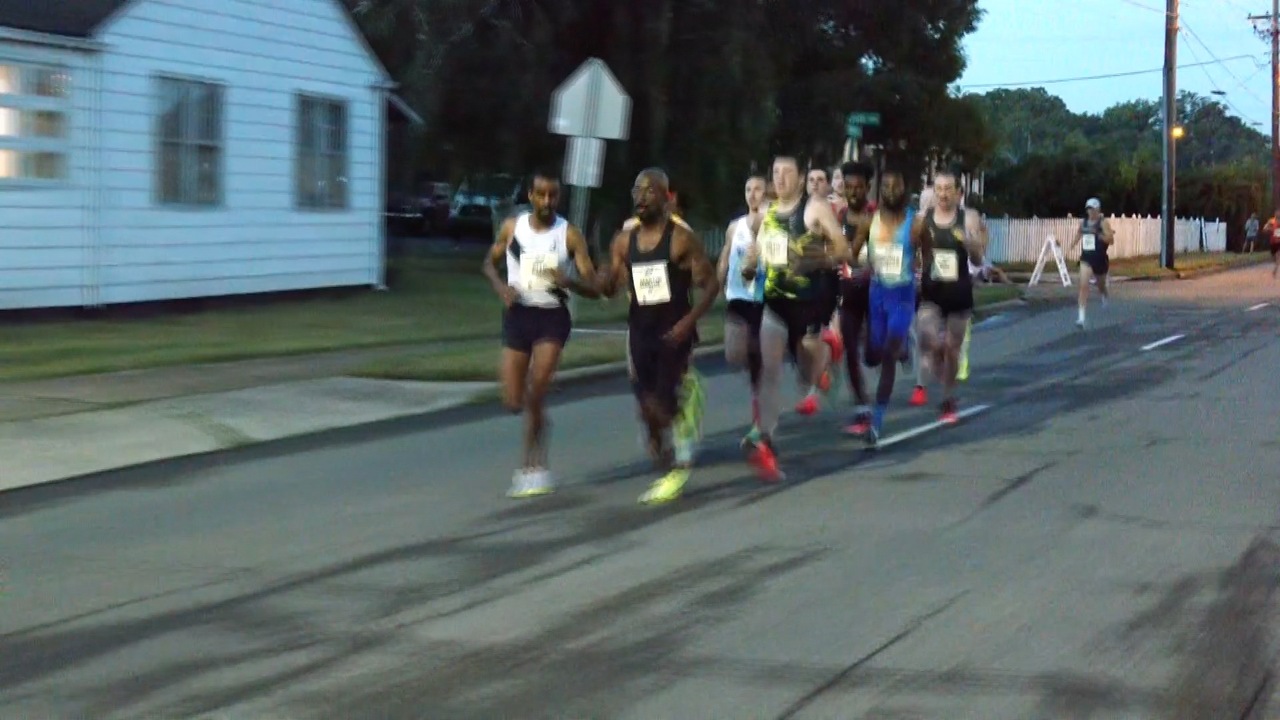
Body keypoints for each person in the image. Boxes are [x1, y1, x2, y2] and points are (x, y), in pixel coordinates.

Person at [599, 168, 719, 504]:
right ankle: (672, 437)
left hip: (674, 331)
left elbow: (710, 285)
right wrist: (603, 281)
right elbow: (613, 284)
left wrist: (689, 321)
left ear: (665, 197)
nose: (641, 197)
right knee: (647, 409)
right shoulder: (623, 242)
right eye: (637, 190)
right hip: (640, 330)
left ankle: (677, 464)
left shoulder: (680, 239)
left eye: (649, 191)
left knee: (661, 402)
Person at [482, 169, 601, 498]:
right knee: (513, 401)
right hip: (518, 315)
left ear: (558, 198)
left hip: (552, 318)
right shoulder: (512, 228)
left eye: (553, 195)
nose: (547, 201)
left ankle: (532, 468)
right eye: (541, 195)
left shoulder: (568, 235)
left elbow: (595, 287)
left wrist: (571, 282)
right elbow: (488, 264)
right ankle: (539, 422)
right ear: (531, 197)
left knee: (537, 391)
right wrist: (500, 287)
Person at [743, 154, 848, 477]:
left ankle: (828, 356)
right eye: (776, 172)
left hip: (809, 306)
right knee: (769, 372)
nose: (780, 179)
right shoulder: (765, 213)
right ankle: (766, 443)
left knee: (808, 371)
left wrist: (817, 260)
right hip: (776, 305)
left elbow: (844, 250)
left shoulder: (814, 209)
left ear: (801, 178)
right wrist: (748, 266)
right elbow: (757, 251)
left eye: (788, 173)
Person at [849, 166, 917, 446]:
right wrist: (863, 266)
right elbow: (852, 256)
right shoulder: (868, 222)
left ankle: (876, 421)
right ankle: (902, 348)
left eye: (896, 186)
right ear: (880, 191)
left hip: (902, 295)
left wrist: (922, 273)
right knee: (872, 356)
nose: (891, 191)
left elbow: (926, 256)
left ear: (905, 190)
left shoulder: (916, 223)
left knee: (887, 353)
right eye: (886, 186)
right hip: (877, 294)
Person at [914, 169, 985, 421]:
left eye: (948, 189)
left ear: (957, 192)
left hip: (958, 293)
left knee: (952, 349)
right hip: (931, 292)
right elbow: (911, 250)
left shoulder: (969, 218)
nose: (943, 194)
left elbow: (977, 258)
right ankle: (941, 371)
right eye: (939, 189)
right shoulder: (923, 218)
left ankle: (947, 399)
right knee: (928, 339)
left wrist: (969, 242)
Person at [718, 174, 767, 448]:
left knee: (757, 360)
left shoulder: (774, 228)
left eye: (758, 189)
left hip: (763, 300)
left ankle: (759, 424)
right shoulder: (734, 227)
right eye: (748, 189)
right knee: (734, 354)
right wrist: (719, 278)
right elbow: (725, 259)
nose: (752, 194)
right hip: (737, 298)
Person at [835, 160, 877, 435]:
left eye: (858, 187)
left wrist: (870, 270)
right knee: (850, 348)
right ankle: (862, 409)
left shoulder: (877, 217)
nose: (853, 192)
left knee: (873, 355)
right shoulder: (837, 219)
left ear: (867, 188)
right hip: (848, 295)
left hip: (875, 293)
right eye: (848, 187)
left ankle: (899, 343)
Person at [1068, 197, 1114, 329]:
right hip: (1086, 258)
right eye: (1088, 209)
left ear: (1098, 210)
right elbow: (1079, 234)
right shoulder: (1084, 223)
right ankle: (1081, 318)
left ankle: (1104, 294)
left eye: (1093, 209)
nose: (1090, 212)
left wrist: (1098, 235)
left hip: (1100, 258)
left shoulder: (1103, 223)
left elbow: (1111, 240)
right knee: (1083, 285)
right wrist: (1071, 246)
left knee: (1100, 284)